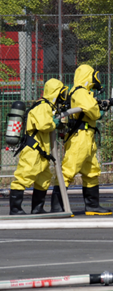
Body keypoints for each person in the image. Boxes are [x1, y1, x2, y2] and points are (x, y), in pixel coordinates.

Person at [51, 64, 113, 215]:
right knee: (68, 170)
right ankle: (57, 207)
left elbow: (90, 108)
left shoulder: (83, 93)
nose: (95, 79)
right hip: (80, 137)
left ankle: (92, 206)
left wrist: (98, 105)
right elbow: (93, 111)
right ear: (87, 76)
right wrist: (101, 109)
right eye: (93, 75)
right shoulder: (80, 92)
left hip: (87, 136)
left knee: (92, 171)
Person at [9, 79, 67, 215]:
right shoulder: (43, 106)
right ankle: (15, 209)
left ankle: (37, 208)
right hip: (32, 151)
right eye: (61, 93)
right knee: (24, 176)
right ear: (55, 93)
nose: (63, 96)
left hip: (41, 151)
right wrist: (55, 123)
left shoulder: (48, 107)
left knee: (44, 178)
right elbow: (44, 125)